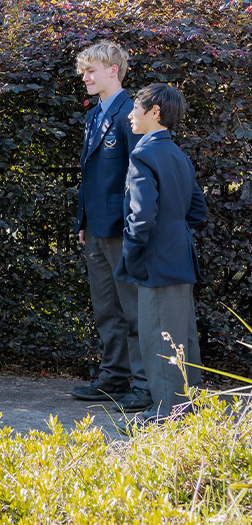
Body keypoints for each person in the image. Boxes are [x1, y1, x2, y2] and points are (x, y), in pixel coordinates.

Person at [118, 83, 208, 420]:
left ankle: (166, 415)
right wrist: (174, 230)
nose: (130, 114)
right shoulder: (178, 155)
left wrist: (131, 252)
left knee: (159, 339)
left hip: (155, 262)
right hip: (181, 258)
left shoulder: (143, 154)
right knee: (183, 339)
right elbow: (197, 209)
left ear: (155, 112)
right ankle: (186, 410)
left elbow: (141, 217)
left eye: (136, 107)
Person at [70, 40, 148, 408]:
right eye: (83, 71)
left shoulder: (131, 113)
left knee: (133, 308)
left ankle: (144, 382)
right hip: (96, 229)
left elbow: (139, 173)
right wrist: (83, 220)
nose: (84, 77)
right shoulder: (94, 114)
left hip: (121, 227)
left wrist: (133, 224)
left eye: (91, 71)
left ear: (113, 70)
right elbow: (90, 176)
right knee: (106, 308)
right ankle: (114, 377)